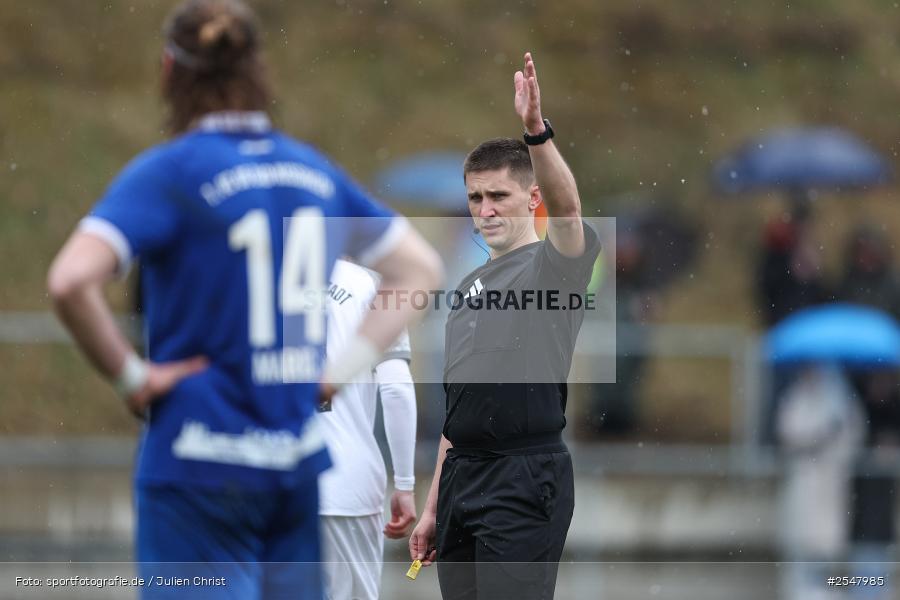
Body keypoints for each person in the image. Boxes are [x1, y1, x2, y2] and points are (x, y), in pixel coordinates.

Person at [45, 1, 442, 598]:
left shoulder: (169, 173)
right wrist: (337, 373)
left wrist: (132, 378)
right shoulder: (310, 171)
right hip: (293, 463)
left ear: (168, 71)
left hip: (198, 460)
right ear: (259, 70)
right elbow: (419, 268)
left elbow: (70, 281)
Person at [408, 52, 602, 600]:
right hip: (460, 481)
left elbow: (568, 212)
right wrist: (432, 505)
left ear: (530, 197)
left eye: (499, 196)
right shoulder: (467, 291)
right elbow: (459, 408)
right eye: (475, 197)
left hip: (523, 476)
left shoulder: (552, 265)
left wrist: (536, 133)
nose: (485, 209)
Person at [320, 259, 418, 600]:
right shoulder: (373, 286)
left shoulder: (259, 278)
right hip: (349, 484)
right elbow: (396, 389)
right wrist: (404, 483)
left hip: (272, 480)